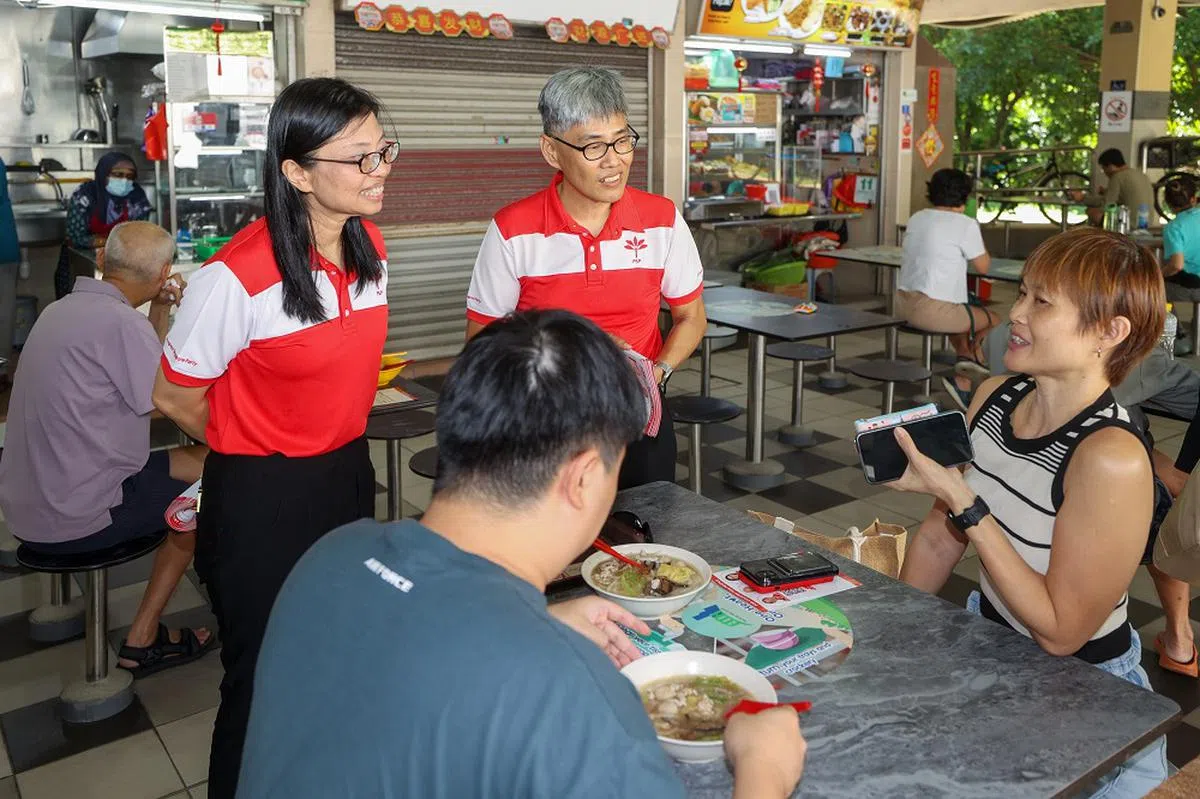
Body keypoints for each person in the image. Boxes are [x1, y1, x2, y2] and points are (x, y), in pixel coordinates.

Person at [237, 310, 806, 799]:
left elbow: (402, 651)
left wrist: (533, 625)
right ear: (584, 479)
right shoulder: (570, 693)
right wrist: (765, 767)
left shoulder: (331, 555)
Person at [152, 77, 395, 799]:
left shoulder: (369, 244)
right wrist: (253, 442)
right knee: (260, 677)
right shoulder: (234, 278)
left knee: (340, 649)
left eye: (384, 150)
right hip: (263, 497)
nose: (379, 168)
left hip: (346, 475)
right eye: (360, 158)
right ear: (295, 171)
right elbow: (173, 393)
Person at [896, 227, 1169, 797]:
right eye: (1022, 293)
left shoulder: (1110, 456)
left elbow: (1061, 633)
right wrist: (892, 633)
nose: (1015, 313)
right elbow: (938, 540)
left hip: (1081, 690)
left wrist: (967, 505)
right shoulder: (993, 396)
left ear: (1109, 332)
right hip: (995, 650)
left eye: (1041, 302)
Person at [465, 67, 707, 489]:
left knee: (645, 537)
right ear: (551, 150)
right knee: (556, 550)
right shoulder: (512, 230)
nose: (614, 161)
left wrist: (657, 374)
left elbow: (691, 317)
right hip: (546, 423)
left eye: (622, 140)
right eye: (593, 146)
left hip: (638, 416)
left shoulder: (662, 220)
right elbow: (481, 342)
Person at [0, 221, 211, 674]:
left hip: (30, 502)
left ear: (101, 259)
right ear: (166, 273)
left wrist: (157, 311)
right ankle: (143, 638)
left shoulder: (60, 310)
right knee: (208, 497)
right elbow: (165, 400)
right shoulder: (117, 324)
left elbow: (144, 377)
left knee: (205, 463)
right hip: (79, 515)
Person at [898, 168, 1000, 411]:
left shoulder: (917, 217)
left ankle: (964, 373)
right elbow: (983, 266)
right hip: (934, 311)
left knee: (965, 313)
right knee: (995, 320)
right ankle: (973, 362)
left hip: (903, 303)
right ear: (965, 196)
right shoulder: (964, 224)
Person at [56, 151, 153, 299]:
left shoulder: (136, 197)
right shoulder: (85, 195)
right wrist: (111, 242)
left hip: (123, 262)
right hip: (81, 262)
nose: (124, 180)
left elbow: (140, 232)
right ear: (103, 174)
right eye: (118, 175)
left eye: (130, 176)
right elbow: (74, 236)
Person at [1081, 148, 1155, 227]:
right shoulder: (1141, 175)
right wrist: (1106, 192)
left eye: (1103, 168)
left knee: (1092, 212)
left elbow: (1107, 204)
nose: (1104, 172)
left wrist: (1083, 198)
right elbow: (1125, 196)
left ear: (1110, 166)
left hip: (1131, 224)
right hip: (1148, 223)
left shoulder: (1117, 177)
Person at [1159, 173, 1200, 293]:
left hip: (1194, 283)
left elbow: (1177, 265)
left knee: (1155, 290)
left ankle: (1168, 312)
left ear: (1167, 203)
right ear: (1193, 199)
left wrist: (1159, 275)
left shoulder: (1173, 227)